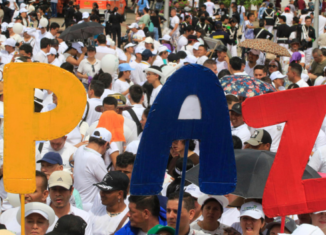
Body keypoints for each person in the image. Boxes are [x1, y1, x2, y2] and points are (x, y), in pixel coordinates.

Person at [73, 127, 112, 211]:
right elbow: (108, 183)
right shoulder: (96, 159)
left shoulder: (80, 149)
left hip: (75, 203)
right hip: (88, 207)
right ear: (105, 144)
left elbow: (71, 159)